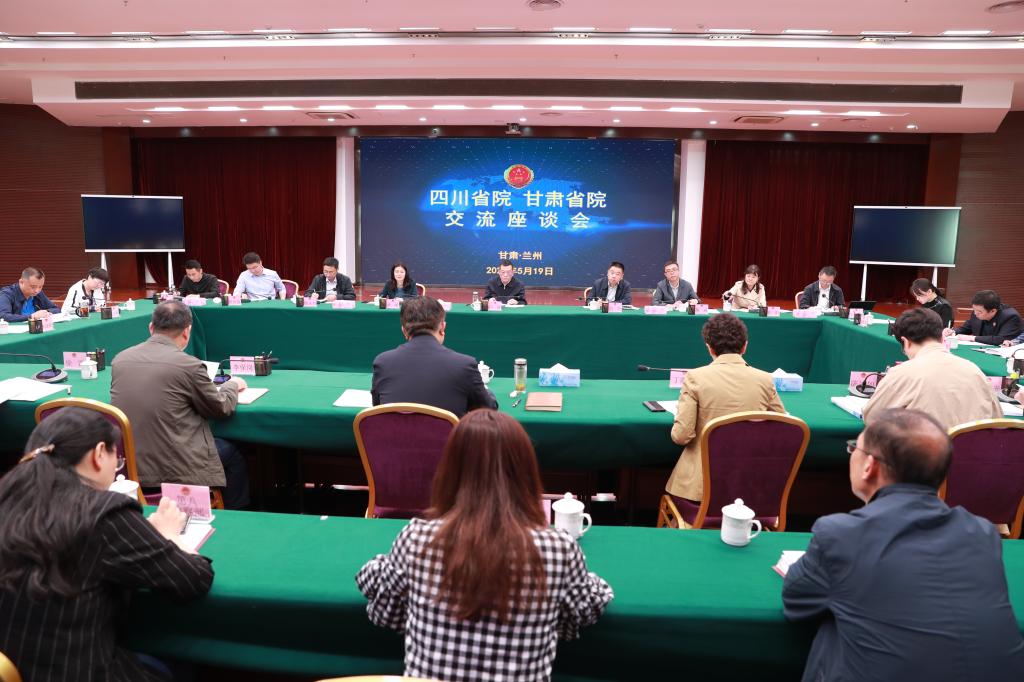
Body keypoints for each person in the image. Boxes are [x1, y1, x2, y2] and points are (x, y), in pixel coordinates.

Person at [356, 409, 613, 682]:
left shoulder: (416, 538)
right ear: (526, 472)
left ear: (450, 470)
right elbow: (583, 612)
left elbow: (386, 615)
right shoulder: (559, 548)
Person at [783, 409, 1024, 682]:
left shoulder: (842, 534)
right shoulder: (982, 533)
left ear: (869, 465)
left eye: (854, 448)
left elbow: (797, 602)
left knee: (832, 627)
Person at [0, 408, 213, 682]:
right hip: (78, 671)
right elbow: (193, 578)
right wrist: (168, 534)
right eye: (117, 459)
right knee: (182, 656)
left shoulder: (6, 498)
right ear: (99, 454)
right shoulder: (103, 512)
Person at [110, 301, 251, 509]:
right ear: (187, 332)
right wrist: (232, 385)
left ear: (151, 327)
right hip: (177, 469)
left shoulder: (120, 360)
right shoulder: (189, 365)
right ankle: (236, 517)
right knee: (233, 452)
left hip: (129, 466)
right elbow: (221, 408)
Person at [666, 313, 785, 506]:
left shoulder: (695, 377)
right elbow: (782, 427)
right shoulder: (765, 379)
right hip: (752, 487)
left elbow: (681, 436)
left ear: (709, 348)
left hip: (701, 489)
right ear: (745, 346)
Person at [862, 308, 1001, 429]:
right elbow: (997, 418)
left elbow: (872, 418)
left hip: (924, 450)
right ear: (941, 337)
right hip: (974, 450)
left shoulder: (902, 372)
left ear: (905, 342)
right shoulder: (974, 370)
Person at [371, 296, 497, 417]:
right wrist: (486, 392)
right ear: (442, 327)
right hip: (448, 433)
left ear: (404, 331)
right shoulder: (464, 365)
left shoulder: (383, 362)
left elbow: (378, 408)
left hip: (395, 433)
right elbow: (488, 409)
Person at [943, 289, 1022, 346]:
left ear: (993, 311)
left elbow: (1001, 339)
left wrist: (972, 338)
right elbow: (966, 328)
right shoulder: (976, 312)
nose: (975, 313)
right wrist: (952, 331)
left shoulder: (1010, 317)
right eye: (974, 310)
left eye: (979, 312)